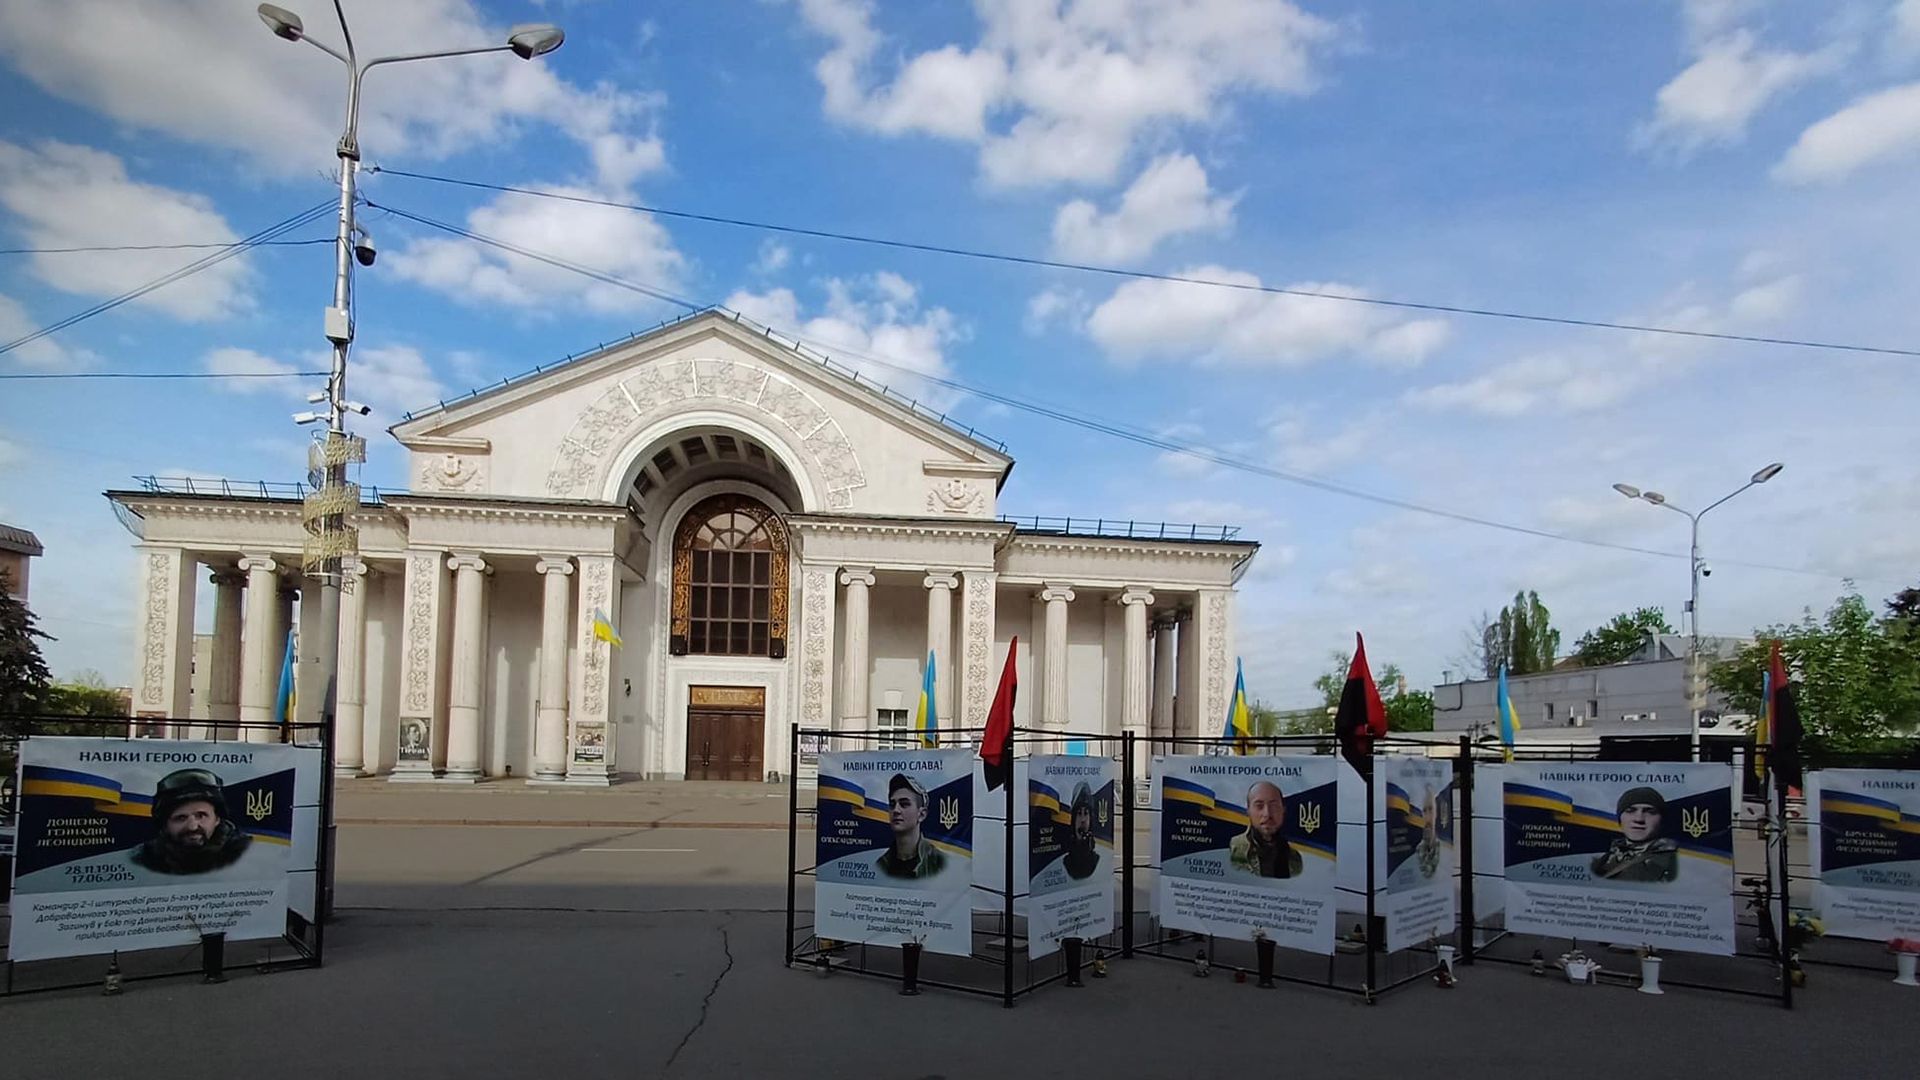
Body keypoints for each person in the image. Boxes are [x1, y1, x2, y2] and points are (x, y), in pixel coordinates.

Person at [129, 769, 253, 875]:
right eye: (181, 818)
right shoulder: (142, 859)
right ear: (165, 825)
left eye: (201, 815)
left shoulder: (247, 852)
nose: (193, 827)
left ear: (217, 819)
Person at [1590, 786, 1678, 883]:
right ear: (1620, 819)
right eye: (1630, 811)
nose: (1639, 819)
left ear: (1661, 820)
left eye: (1650, 812)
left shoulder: (1675, 862)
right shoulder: (1603, 860)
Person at [876, 772, 945, 879]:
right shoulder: (881, 864)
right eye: (892, 805)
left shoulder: (938, 862)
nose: (896, 810)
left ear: (922, 814)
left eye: (904, 804)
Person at [1230, 780, 1302, 879]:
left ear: (1283, 810)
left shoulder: (1294, 857)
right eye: (1259, 806)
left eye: (1274, 806)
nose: (1267, 814)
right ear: (1248, 811)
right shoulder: (1234, 848)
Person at [1063, 782, 1100, 879]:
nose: (1083, 820)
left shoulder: (1095, 859)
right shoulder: (1067, 861)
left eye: (1086, 813)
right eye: (1079, 813)